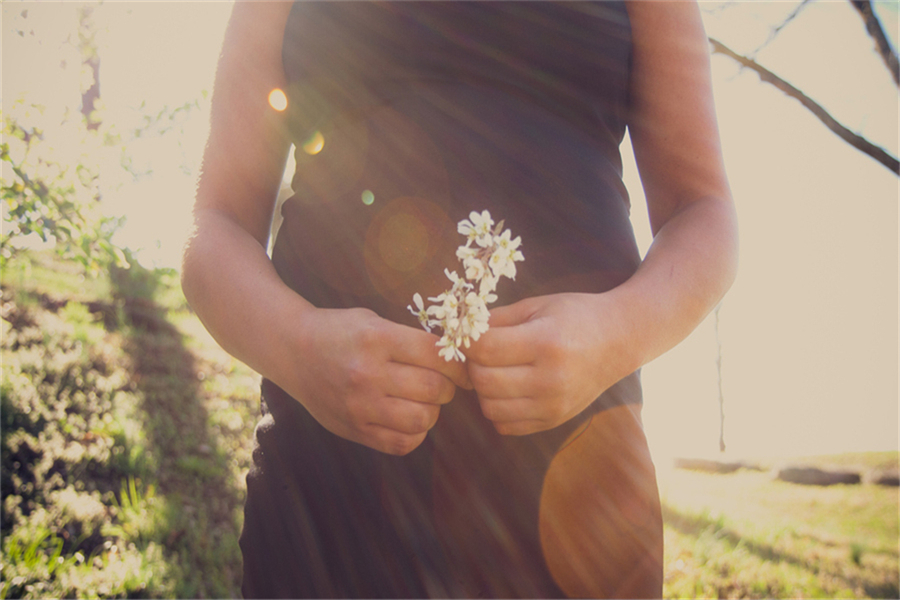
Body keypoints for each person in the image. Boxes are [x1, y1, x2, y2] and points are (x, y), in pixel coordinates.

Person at [181, 1, 738, 598]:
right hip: (333, 485)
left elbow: (703, 213)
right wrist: (299, 347)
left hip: (577, 491)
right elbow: (215, 229)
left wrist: (611, 336)